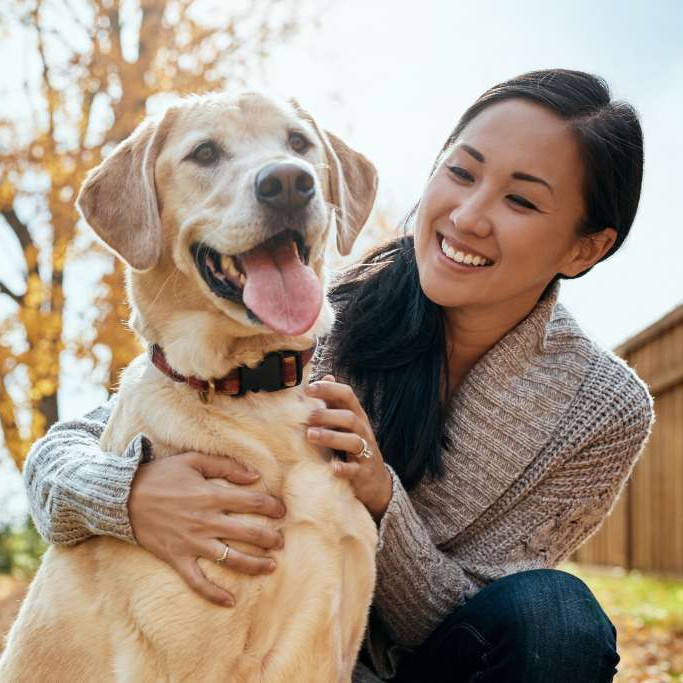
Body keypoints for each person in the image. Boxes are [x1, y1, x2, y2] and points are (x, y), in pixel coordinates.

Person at [23, 69, 653, 683]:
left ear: (585, 248)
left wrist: (381, 500)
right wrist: (128, 495)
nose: (468, 216)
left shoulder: (597, 408)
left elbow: (489, 620)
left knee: (557, 618)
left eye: (520, 200)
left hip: (423, 660)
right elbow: (70, 446)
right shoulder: (298, 321)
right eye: (461, 173)